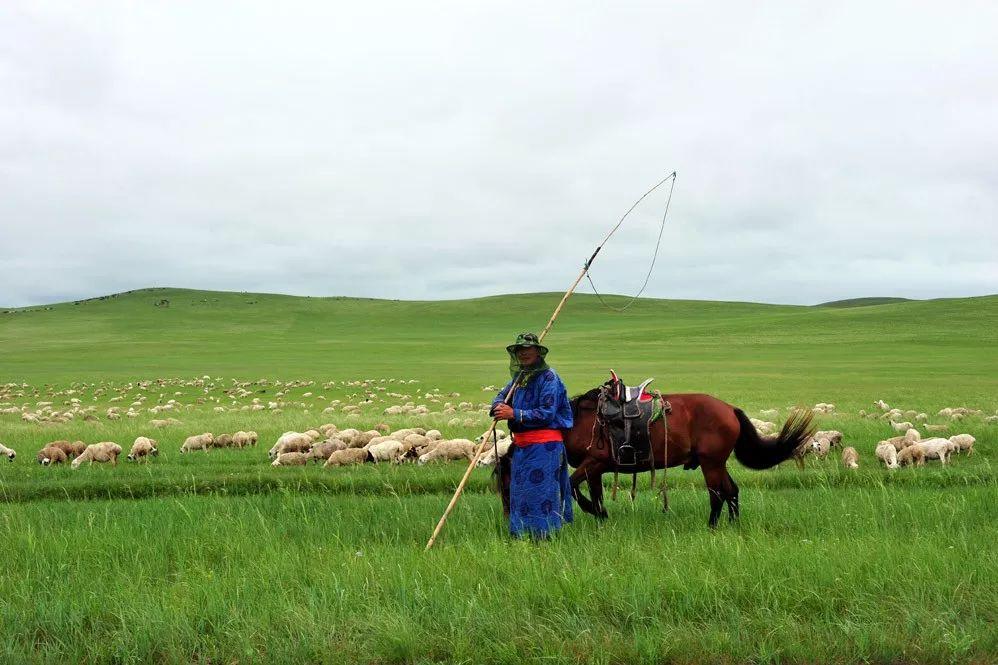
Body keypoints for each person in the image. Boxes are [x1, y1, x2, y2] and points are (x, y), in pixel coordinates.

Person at [490, 332, 574, 539]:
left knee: (542, 493)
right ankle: (521, 535)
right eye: (520, 350)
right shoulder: (519, 378)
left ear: (537, 352)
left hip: (545, 446)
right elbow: (501, 397)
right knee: (519, 492)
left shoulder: (550, 378)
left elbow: (547, 412)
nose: (524, 353)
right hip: (522, 447)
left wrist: (514, 413)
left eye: (528, 349)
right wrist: (498, 407)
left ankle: (545, 537)